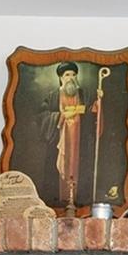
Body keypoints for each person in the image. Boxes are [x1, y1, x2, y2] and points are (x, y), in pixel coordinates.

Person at [38, 61, 99, 212]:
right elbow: (42, 116)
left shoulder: (84, 94)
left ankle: (79, 200)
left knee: (79, 168)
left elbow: (93, 113)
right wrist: (62, 115)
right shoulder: (52, 96)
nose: (70, 78)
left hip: (79, 141)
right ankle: (57, 202)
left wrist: (99, 102)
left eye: (73, 74)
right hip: (60, 141)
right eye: (67, 75)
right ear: (61, 78)